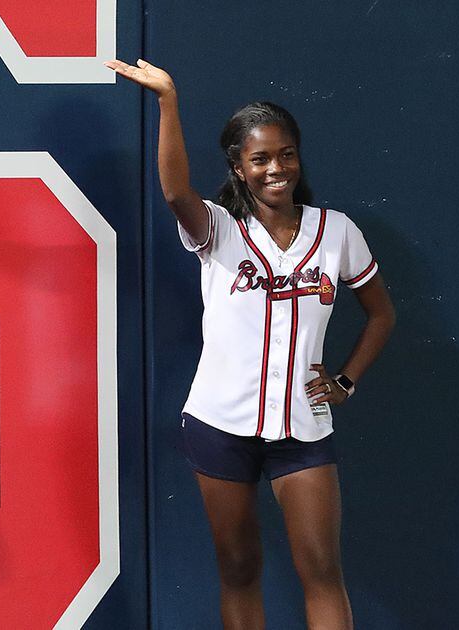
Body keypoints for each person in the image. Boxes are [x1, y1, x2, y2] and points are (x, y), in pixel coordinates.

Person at [107, 59, 396, 629]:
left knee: (320, 566)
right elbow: (172, 190)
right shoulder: (216, 229)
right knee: (239, 566)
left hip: (302, 428)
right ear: (238, 168)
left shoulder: (336, 231)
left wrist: (346, 379)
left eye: (285, 154)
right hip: (220, 424)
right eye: (259, 158)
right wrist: (168, 99)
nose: (275, 168)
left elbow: (382, 313)